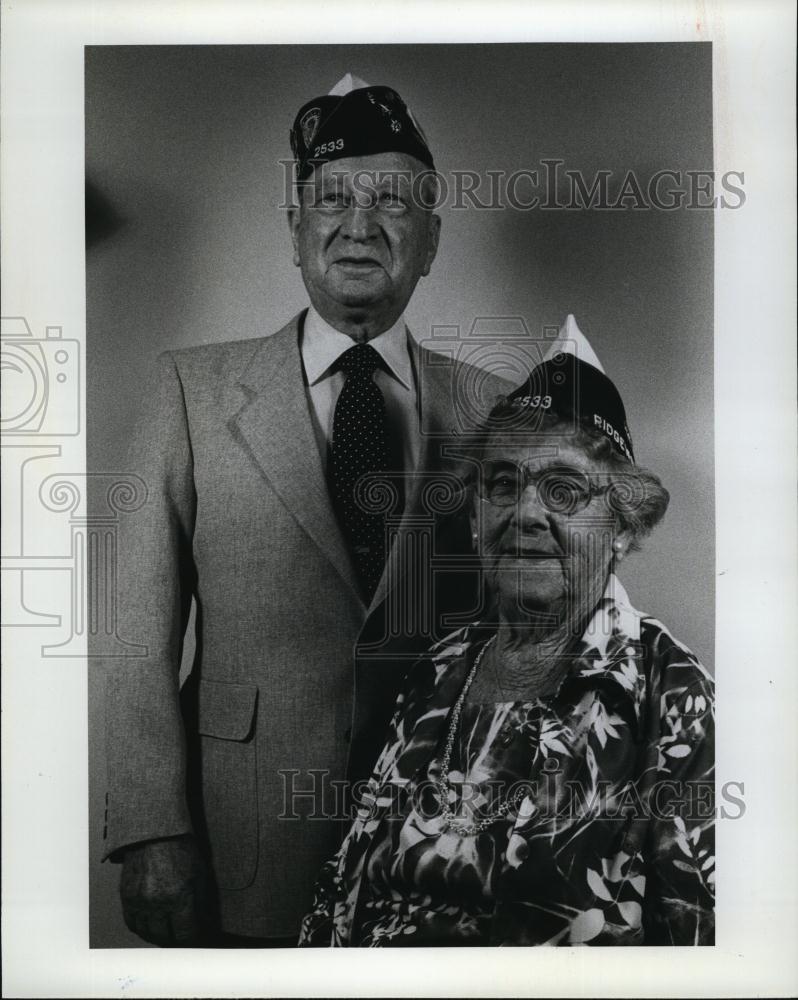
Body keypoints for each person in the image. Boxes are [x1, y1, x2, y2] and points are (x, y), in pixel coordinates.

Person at [102, 74, 511, 946]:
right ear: (295, 231)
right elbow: (135, 630)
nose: (359, 224)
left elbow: (531, 637)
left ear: (432, 240)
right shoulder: (190, 391)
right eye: (332, 197)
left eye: (393, 201)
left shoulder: (496, 412)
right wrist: (151, 830)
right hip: (245, 844)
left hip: (445, 851)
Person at [299, 317, 715, 947]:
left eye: (564, 489)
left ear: (622, 528)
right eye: (502, 484)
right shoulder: (435, 671)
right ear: (474, 520)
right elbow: (345, 891)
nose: (525, 512)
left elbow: (701, 938)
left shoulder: (674, 696)